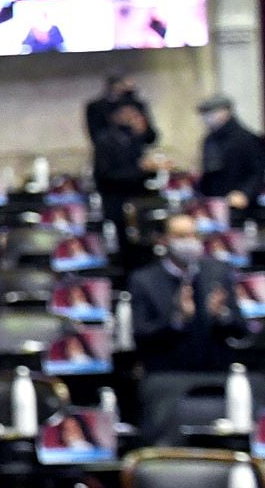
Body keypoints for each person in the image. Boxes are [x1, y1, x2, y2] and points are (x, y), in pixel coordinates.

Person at [130, 212, 251, 441]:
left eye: (194, 235)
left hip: (216, 373)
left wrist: (221, 315)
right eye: (181, 235)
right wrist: (177, 319)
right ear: (164, 240)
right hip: (167, 376)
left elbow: (241, 329)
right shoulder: (144, 280)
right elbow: (141, 335)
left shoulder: (219, 273)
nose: (190, 241)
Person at [94, 101, 158, 256]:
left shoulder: (134, 138)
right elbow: (106, 175)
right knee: (127, 249)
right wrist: (140, 170)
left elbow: (152, 138)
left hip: (139, 202)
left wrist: (150, 168)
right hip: (118, 203)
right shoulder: (106, 140)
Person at [198, 95, 265, 210]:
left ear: (224, 113)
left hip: (241, 205)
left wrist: (244, 193)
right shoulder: (210, 140)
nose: (205, 118)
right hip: (215, 202)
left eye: (210, 112)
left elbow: (257, 172)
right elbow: (209, 173)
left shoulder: (247, 139)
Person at [86, 73, 153, 149]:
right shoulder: (97, 107)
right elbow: (97, 137)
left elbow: (150, 138)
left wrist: (139, 129)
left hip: (134, 153)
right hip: (109, 153)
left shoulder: (137, 105)